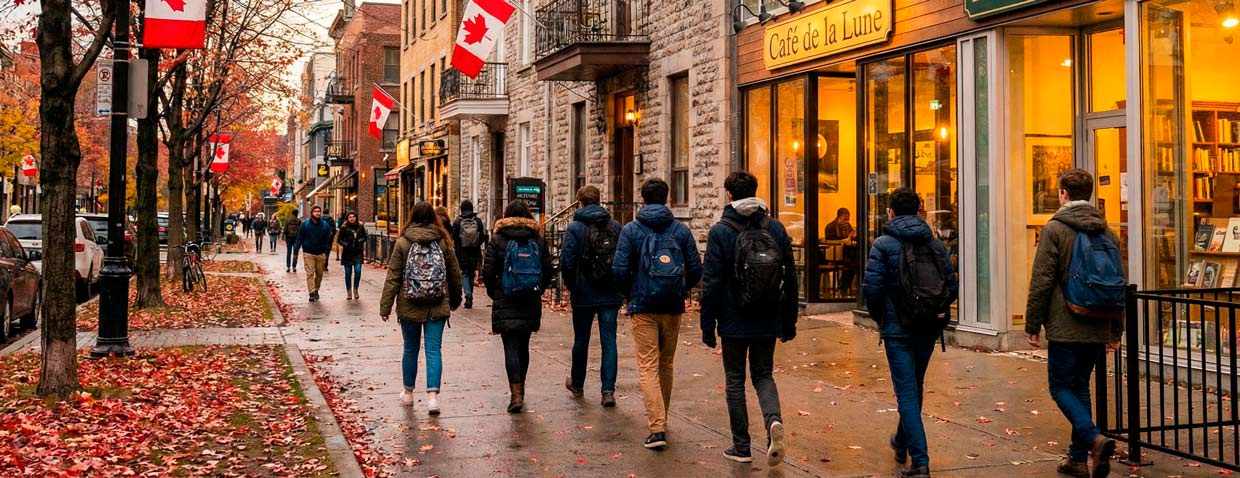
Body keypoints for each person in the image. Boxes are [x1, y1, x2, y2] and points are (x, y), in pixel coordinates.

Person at [1025, 169, 1122, 478]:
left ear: (1063, 193)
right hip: (1097, 323)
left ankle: (1093, 439)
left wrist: (1032, 324)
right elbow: (1117, 284)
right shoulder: (1109, 233)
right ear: (1089, 194)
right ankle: (1077, 460)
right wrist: (1115, 330)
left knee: (1060, 387)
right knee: (1080, 387)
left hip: (1066, 323)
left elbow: (1041, 280)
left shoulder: (1055, 229)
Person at [701, 171, 798, 466]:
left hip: (733, 319)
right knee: (763, 375)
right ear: (756, 192)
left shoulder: (721, 231)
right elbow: (790, 278)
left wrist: (708, 325)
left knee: (734, 379)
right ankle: (773, 423)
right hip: (768, 316)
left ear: (729, 195)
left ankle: (741, 447)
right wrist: (788, 320)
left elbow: (712, 282)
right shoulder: (776, 228)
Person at [861, 187, 957, 478]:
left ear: (890, 212)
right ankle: (902, 441)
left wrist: (883, 320)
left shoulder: (883, 244)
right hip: (928, 327)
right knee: (914, 386)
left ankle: (920, 461)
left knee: (906, 392)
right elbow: (951, 287)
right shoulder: (935, 245)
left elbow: (872, 290)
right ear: (919, 212)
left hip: (898, 329)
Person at [612, 178, 703, 450]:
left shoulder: (631, 230)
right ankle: (662, 418)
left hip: (643, 307)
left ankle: (657, 426)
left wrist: (632, 293)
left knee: (648, 365)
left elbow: (618, 270)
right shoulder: (680, 230)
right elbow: (696, 269)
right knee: (666, 364)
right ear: (667, 200)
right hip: (672, 307)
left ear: (642, 200)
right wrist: (680, 289)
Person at [380, 201, 463, 415]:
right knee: (433, 349)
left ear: (412, 216)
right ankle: (433, 398)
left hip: (409, 304)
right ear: (434, 218)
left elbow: (393, 277)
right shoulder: (443, 241)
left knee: (410, 349)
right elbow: (454, 274)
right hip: (437, 304)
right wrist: (455, 300)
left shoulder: (403, 243)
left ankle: (408, 393)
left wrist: (385, 306)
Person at [482, 200, 553, 413]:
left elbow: (488, 270)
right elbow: (548, 270)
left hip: (505, 296)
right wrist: (537, 290)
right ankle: (521, 387)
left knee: (510, 346)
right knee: (524, 345)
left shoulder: (498, 238)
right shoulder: (537, 239)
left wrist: (494, 292)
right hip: (529, 298)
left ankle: (516, 395)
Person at [559, 185, 623, 407]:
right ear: (599, 200)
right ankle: (608, 391)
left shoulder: (575, 228)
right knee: (609, 340)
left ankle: (577, 383)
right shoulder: (614, 225)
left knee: (581, 339)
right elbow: (622, 258)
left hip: (583, 292)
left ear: (580, 203)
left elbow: (567, 262)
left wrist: (572, 286)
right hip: (609, 291)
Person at [451, 200, 487, 309]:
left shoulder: (458, 221)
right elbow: (483, 236)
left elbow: (454, 236)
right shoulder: (478, 221)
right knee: (471, 273)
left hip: (461, 252)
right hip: (474, 252)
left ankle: (468, 294)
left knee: (465, 273)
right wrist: (476, 244)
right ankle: (469, 294)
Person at [293, 206, 334, 302]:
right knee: (310, 273)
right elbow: (299, 238)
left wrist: (326, 252)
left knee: (319, 274)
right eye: (315, 211)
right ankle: (311, 292)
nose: (317, 213)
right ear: (312, 213)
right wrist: (295, 251)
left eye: (319, 211)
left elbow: (328, 239)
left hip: (320, 253)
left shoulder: (325, 225)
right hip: (308, 252)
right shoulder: (305, 225)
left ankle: (316, 289)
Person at [824, 207, 859, 293]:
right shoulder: (830, 227)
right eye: (845, 219)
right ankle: (844, 286)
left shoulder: (848, 226)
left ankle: (845, 286)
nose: (847, 221)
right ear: (838, 217)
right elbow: (830, 242)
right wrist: (845, 241)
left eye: (848, 219)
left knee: (854, 263)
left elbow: (850, 238)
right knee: (851, 264)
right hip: (835, 254)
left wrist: (852, 236)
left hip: (847, 252)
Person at [337, 211, 368, 300]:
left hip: (357, 252)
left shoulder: (360, 226)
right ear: (347, 218)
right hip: (347, 253)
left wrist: (360, 241)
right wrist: (346, 244)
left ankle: (356, 289)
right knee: (348, 273)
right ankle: (349, 291)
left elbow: (365, 237)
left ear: (356, 217)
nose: (352, 218)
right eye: (350, 217)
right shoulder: (344, 228)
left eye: (353, 216)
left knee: (358, 271)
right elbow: (339, 240)